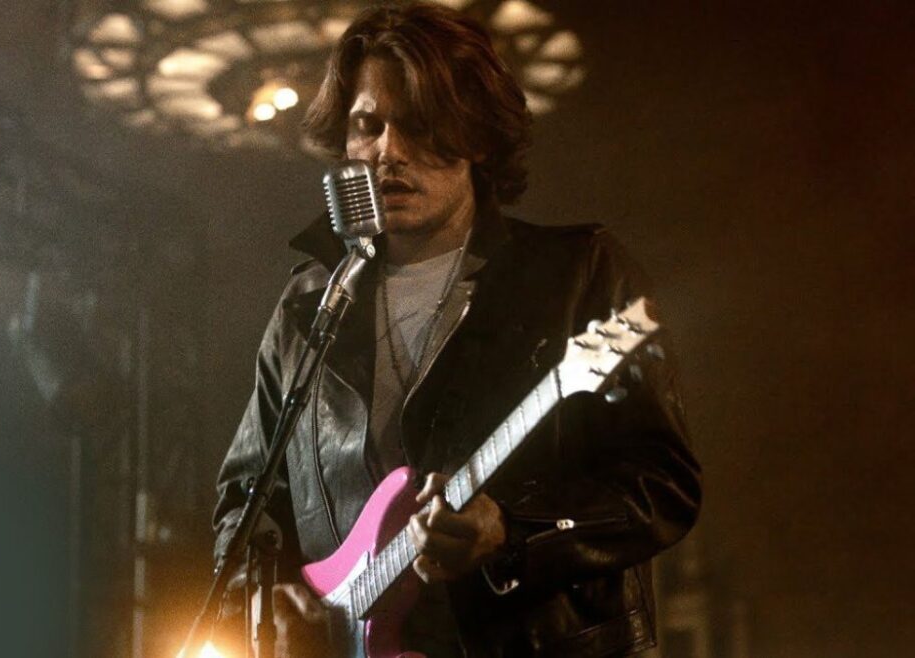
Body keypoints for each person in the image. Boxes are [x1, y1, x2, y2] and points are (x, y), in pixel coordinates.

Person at [213, 2, 701, 656]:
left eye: (417, 124)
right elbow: (246, 501)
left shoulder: (578, 273)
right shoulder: (309, 305)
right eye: (367, 126)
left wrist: (514, 530)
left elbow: (663, 485)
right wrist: (260, 594)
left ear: (476, 136)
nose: (387, 152)